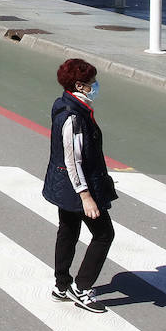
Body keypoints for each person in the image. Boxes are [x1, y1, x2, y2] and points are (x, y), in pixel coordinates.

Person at [43, 58, 117, 314]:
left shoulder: (66, 103)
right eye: (91, 82)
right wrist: (85, 195)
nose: (95, 86)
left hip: (65, 185)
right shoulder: (73, 117)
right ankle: (81, 289)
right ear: (79, 85)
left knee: (68, 229)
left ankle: (61, 286)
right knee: (104, 234)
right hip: (77, 187)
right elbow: (72, 159)